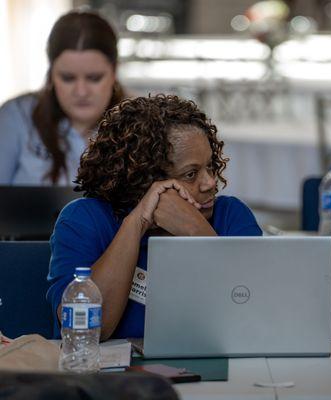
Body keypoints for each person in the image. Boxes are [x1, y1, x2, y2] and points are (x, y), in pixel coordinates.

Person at [47, 94, 263, 340]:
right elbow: (89, 331)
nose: (210, 182)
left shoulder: (230, 216)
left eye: (210, 166)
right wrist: (137, 222)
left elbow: (256, 310)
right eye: (191, 174)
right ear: (143, 180)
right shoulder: (84, 220)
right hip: (108, 375)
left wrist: (196, 232)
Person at [0, 10, 124, 185]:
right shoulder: (15, 117)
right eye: (67, 78)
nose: (81, 91)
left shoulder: (140, 124)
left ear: (114, 72)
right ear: (51, 74)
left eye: (94, 78)